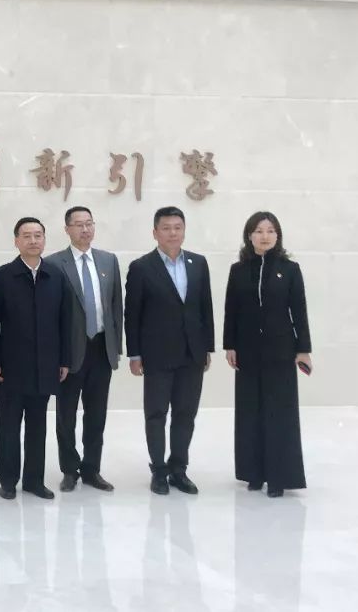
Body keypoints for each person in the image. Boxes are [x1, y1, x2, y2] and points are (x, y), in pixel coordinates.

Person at [124, 206, 214, 496]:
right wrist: (135, 354)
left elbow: (205, 307)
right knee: (156, 414)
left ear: (184, 230)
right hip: (157, 354)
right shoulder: (141, 267)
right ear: (155, 232)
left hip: (192, 353)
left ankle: (179, 469)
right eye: (166, 228)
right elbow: (132, 315)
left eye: (177, 227)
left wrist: (207, 347)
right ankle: (159, 471)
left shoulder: (198, 263)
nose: (172, 233)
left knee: (186, 413)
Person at [223, 211, 311, 498]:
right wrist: (230, 345)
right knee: (249, 412)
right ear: (249, 235)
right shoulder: (238, 270)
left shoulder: (290, 269)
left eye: (271, 231)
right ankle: (253, 473)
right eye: (259, 231)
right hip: (247, 352)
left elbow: (299, 311)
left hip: (281, 351)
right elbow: (231, 310)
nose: (265, 236)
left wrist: (303, 350)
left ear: (278, 236)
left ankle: (278, 476)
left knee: (279, 413)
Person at [0, 217, 70, 500]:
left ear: (44, 239)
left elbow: (65, 322)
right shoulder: (3, 276)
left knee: (38, 425)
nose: (33, 241)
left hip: (45, 365)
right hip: (11, 365)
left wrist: (64, 360)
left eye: (38, 235)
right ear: (16, 241)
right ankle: (8, 480)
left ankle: (34, 480)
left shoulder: (56, 276)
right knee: (9, 425)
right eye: (27, 236)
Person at [46, 206, 122, 493]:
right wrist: (56, 355)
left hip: (101, 347)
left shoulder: (108, 260)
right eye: (78, 224)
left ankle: (92, 469)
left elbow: (116, 306)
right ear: (67, 229)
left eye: (89, 223)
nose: (85, 229)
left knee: (96, 414)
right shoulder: (54, 263)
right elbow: (51, 314)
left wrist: (116, 347)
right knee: (66, 415)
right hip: (69, 352)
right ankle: (69, 469)